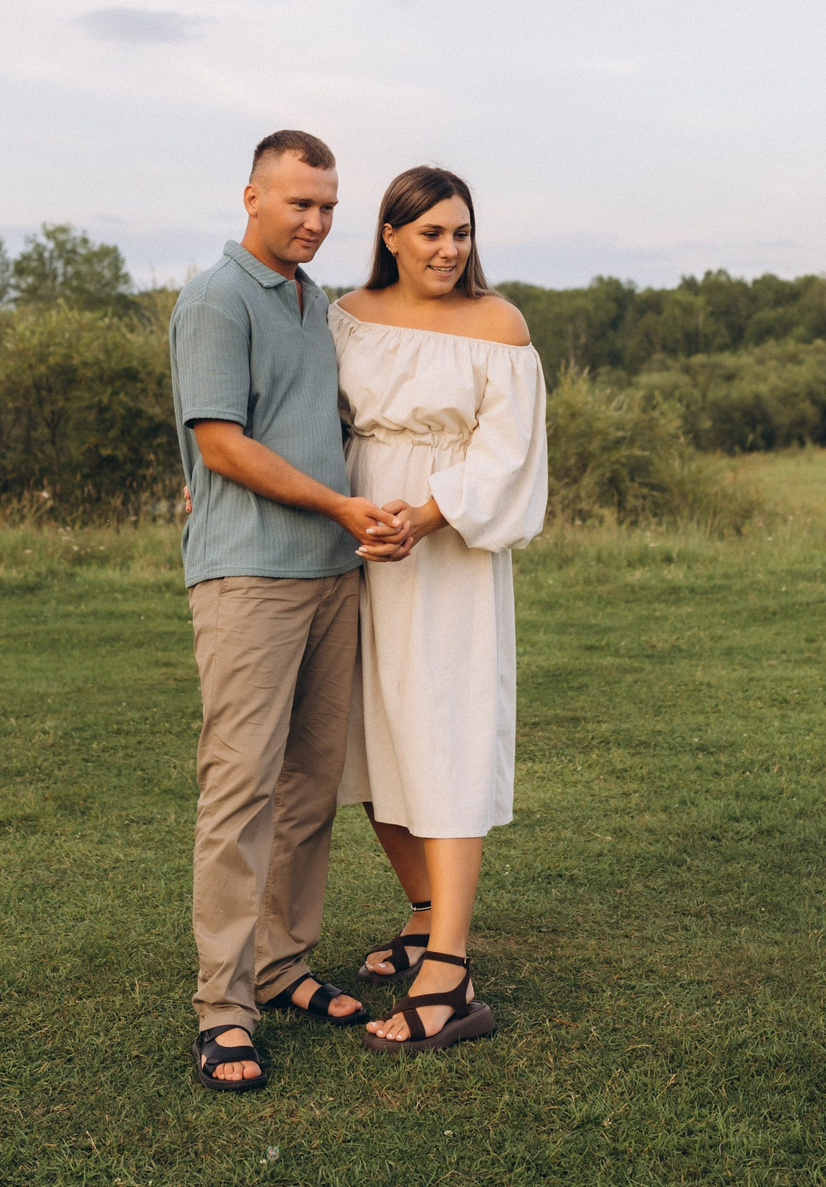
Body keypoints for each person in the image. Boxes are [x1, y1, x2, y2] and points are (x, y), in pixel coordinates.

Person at [171, 130, 412, 1092]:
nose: (314, 222)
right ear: (251, 198)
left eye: (327, 207)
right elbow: (222, 444)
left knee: (312, 786)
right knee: (240, 791)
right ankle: (222, 1010)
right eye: (297, 203)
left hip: (330, 575)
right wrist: (339, 503)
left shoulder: (316, 305)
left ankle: (281, 967)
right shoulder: (215, 298)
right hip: (250, 578)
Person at [331, 165, 549, 1053]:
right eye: (430, 234)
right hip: (353, 533)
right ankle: (424, 912)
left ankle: (449, 971)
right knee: (369, 735)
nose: (449, 249)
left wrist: (423, 514)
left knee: (444, 733)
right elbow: (311, 420)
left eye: (460, 232)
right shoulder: (345, 315)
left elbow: (508, 455)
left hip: (448, 547)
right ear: (390, 234)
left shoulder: (499, 327)